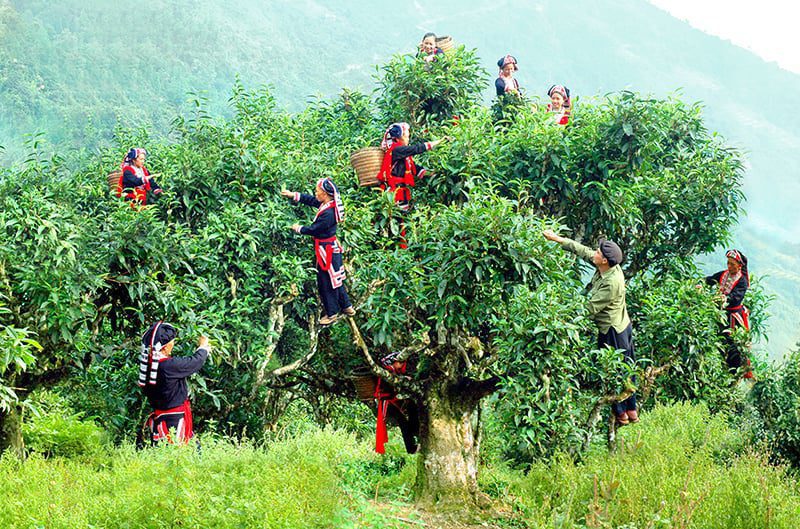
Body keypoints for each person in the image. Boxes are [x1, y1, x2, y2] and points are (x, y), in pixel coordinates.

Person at [542, 229, 638, 425]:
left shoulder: (612, 282)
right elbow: (583, 250)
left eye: (598, 253)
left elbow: (590, 308)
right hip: (622, 323)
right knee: (627, 367)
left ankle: (622, 412)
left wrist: (560, 318)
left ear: (604, 261)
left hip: (612, 330)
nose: (594, 253)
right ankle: (632, 409)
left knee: (615, 371)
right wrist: (558, 239)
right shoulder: (607, 266)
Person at [282, 178, 354, 325]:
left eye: (317, 191)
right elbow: (311, 200)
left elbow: (314, 229)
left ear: (325, 194)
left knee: (326, 281)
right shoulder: (328, 204)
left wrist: (298, 228)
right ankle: (347, 306)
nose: (315, 193)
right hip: (330, 247)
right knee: (337, 278)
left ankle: (332, 312)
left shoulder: (328, 214)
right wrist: (293, 195)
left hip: (326, 250)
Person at [377, 122, 449, 248]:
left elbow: (416, 169)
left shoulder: (404, 156)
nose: (408, 138)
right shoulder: (396, 150)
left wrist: (436, 173)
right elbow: (416, 149)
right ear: (398, 137)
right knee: (396, 221)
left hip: (401, 192)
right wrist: (439, 142)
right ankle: (396, 250)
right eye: (406, 135)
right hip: (393, 193)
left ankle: (400, 248)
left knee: (402, 221)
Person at [139, 321, 210, 444]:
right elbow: (195, 362)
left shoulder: (148, 365)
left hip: (160, 418)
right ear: (165, 347)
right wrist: (203, 347)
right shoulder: (167, 366)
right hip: (174, 419)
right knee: (181, 454)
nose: (173, 344)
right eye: (172, 342)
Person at [704, 249, 752, 376]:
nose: (729, 266)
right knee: (718, 339)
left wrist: (726, 298)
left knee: (733, 344)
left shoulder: (742, 281)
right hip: (721, 314)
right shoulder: (724, 274)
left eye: (732, 264)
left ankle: (732, 372)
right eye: (728, 263)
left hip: (733, 317)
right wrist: (700, 283)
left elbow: (736, 297)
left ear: (739, 266)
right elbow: (710, 279)